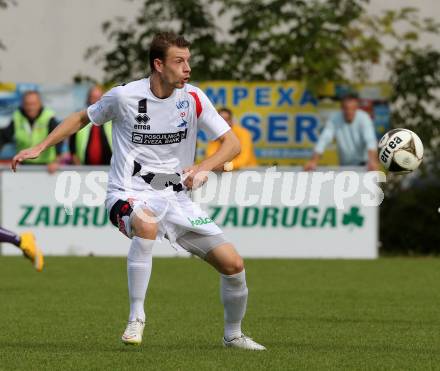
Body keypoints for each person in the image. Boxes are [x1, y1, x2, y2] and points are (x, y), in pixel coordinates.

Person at [12, 32, 266, 351]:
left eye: (188, 60)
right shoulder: (124, 97)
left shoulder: (195, 98)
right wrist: (40, 146)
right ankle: (136, 316)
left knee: (233, 265)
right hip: (127, 194)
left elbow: (232, 144)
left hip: (176, 200)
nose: (187, 67)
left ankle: (233, 335)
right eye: (179, 61)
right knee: (146, 222)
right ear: (158, 65)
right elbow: (81, 118)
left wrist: (203, 168)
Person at [304, 93, 379, 171]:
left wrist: (373, 161)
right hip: (344, 165)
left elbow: (370, 140)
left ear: (357, 108)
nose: (349, 111)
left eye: (352, 109)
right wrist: (313, 161)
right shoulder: (335, 119)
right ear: (342, 108)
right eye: (346, 108)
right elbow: (324, 139)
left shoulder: (364, 118)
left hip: (364, 166)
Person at [0, 90, 63, 173]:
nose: (30, 107)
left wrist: (56, 161)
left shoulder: (48, 117)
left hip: (47, 166)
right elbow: (3, 137)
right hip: (24, 165)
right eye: (27, 104)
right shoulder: (17, 116)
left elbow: (58, 137)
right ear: (22, 104)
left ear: (40, 103)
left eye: (34, 104)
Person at [69, 85, 112, 165]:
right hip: (84, 169)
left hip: (110, 168)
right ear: (88, 99)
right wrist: (75, 161)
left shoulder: (112, 118)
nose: (96, 101)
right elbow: (72, 143)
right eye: (93, 98)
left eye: (99, 98)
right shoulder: (81, 118)